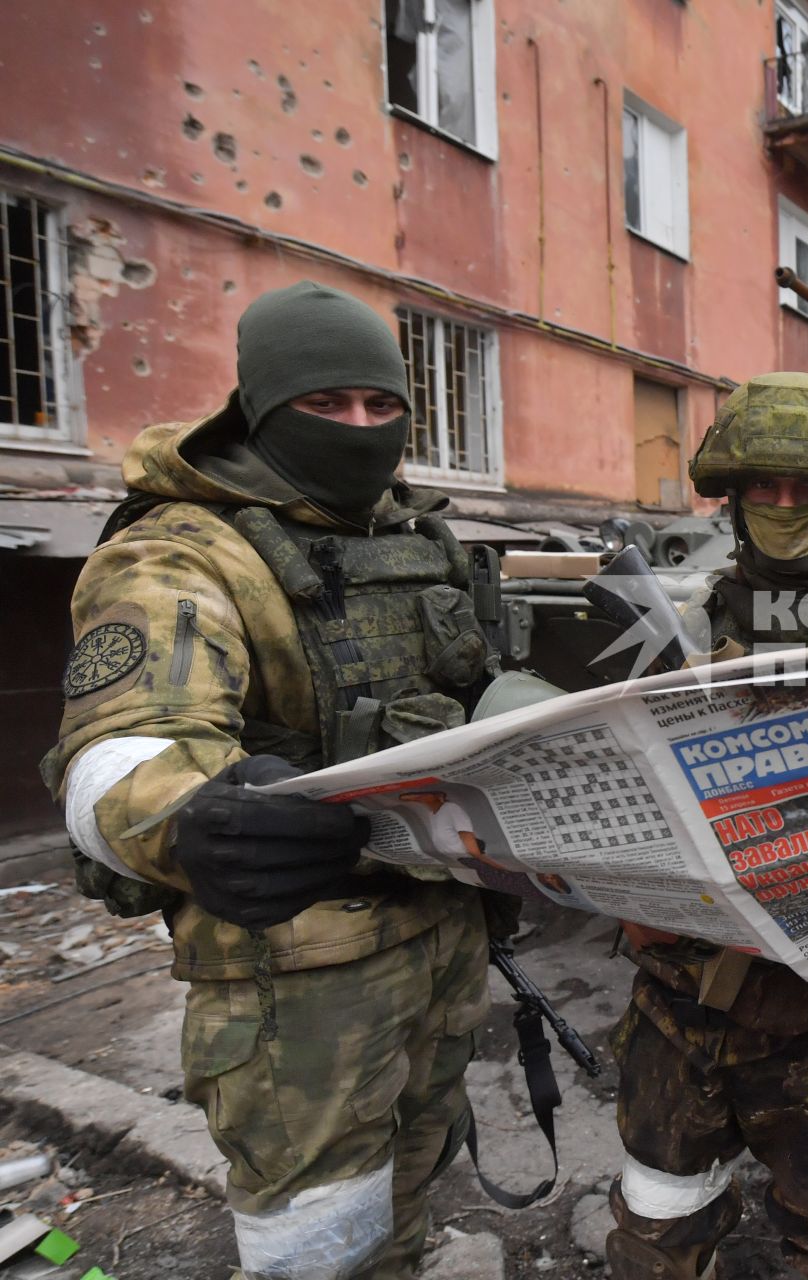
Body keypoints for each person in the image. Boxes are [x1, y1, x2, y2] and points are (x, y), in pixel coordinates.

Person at [41, 281, 498, 1280]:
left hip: (441, 937)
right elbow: (122, 743)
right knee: (319, 1249)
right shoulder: (182, 547)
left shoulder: (415, 536)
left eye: (383, 406)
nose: (361, 428)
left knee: (409, 1204)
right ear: (258, 410)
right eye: (326, 404)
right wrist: (192, 816)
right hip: (301, 978)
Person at [608, 373, 808, 1280]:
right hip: (673, 1010)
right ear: (734, 501)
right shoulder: (680, 632)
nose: (785, 508)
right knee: (655, 1235)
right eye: (763, 489)